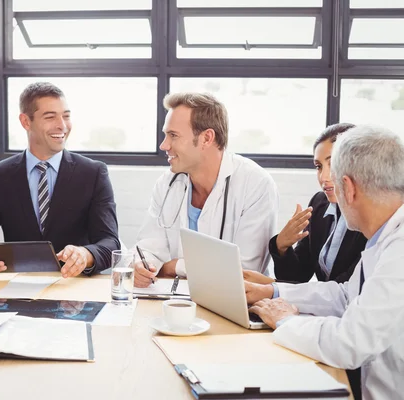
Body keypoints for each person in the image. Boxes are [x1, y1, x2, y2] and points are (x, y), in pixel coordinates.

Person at [247, 125, 404, 400]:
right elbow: (345, 295)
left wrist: (286, 320)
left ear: (348, 188)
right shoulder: (384, 235)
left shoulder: (398, 248)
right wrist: (274, 292)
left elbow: (350, 343)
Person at [0, 82, 120, 281]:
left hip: (74, 288)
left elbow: (110, 242)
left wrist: (85, 255)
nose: (62, 125)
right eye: (50, 117)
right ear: (26, 122)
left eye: (66, 116)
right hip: (19, 287)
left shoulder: (93, 172)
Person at [132, 92, 278, 288]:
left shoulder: (255, 184)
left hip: (232, 304)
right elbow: (149, 247)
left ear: (207, 138)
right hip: (174, 300)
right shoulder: (167, 183)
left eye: (173, 135)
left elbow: (246, 271)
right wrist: (143, 265)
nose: (164, 145)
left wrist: (172, 267)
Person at [271, 123, 367, 283]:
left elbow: (349, 288)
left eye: (333, 163)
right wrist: (281, 246)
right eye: (319, 166)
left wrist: (271, 287)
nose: (324, 177)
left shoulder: (372, 214)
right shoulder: (319, 203)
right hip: (321, 306)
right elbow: (298, 276)